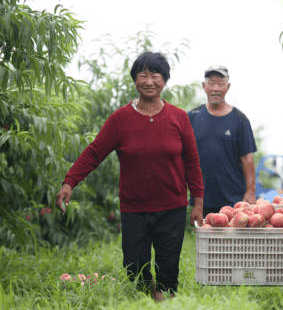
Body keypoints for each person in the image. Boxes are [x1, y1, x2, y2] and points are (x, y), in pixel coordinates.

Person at [54, 52, 204, 302]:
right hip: (135, 208)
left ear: (164, 80)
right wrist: (70, 182)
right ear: (135, 80)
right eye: (142, 75)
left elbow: (192, 162)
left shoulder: (179, 118)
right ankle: (148, 298)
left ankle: (163, 301)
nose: (148, 81)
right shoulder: (120, 119)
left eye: (155, 75)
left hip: (172, 207)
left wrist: (197, 203)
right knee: (135, 268)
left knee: (168, 272)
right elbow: (94, 152)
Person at [187, 64, 257, 218]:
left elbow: (247, 158)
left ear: (228, 86)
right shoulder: (191, 117)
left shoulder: (240, 120)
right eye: (211, 83)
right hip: (201, 199)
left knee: (234, 241)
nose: (216, 88)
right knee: (205, 241)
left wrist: (250, 192)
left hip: (234, 199)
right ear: (204, 86)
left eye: (221, 83)